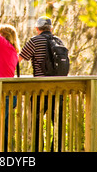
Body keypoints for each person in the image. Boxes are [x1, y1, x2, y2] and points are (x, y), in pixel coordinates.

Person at [19, 16, 66, 152]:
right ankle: (55, 149)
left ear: (37, 28)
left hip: (40, 88)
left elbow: (18, 59)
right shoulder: (59, 41)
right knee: (57, 122)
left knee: (37, 122)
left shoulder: (34, 41)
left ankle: (38, 149)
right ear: (51, 28)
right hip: (58, 89)